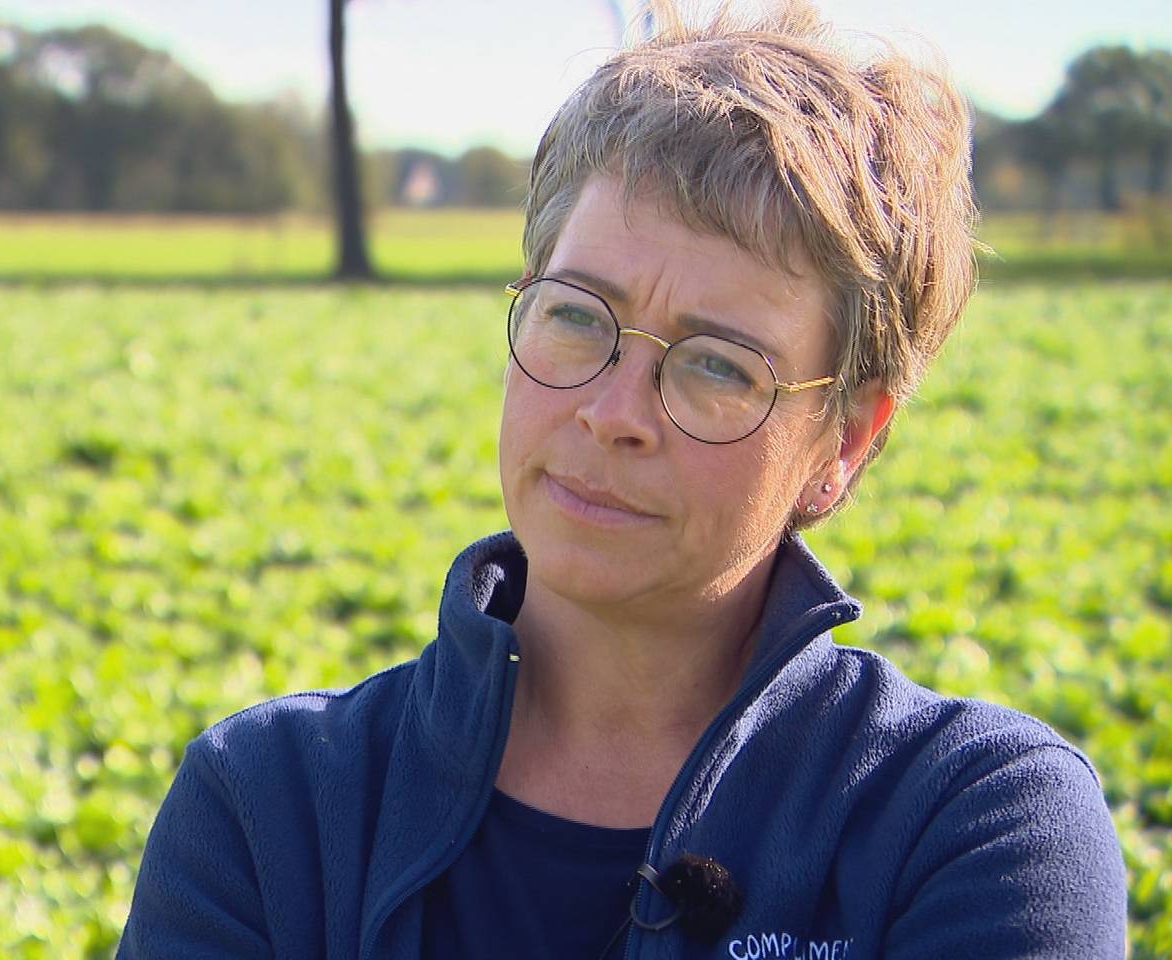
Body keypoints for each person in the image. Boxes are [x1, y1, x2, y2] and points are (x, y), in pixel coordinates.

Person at [117, 2, 1127, 957]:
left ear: (844, 442)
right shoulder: (268, 806)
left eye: (718, 365)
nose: (611, 413)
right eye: (574, 315)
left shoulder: (971, 823)